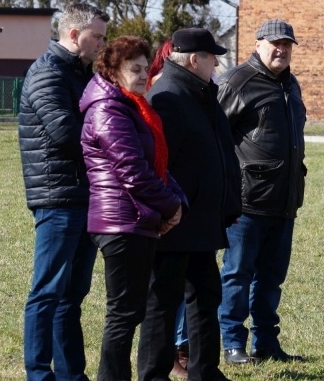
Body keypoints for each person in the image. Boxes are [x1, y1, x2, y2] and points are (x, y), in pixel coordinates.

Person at [80, 36, 186, 380]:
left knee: (130, 312)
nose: (144, 75)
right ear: (113, 71)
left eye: (145, 68)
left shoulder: (132, 106)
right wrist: (171, 207)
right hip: (120, 222)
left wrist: (177, 201)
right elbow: (133, 171)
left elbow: (156, 165)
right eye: (135, 69)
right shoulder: (108, 109)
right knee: (123, 313)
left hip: (136, 219)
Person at [138, 28, 241, 381]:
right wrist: (172, 208)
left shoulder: (198, 92)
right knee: (163, 301)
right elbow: (159, 164)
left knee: (205, 296)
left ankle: (205, 371)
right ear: (195, 60)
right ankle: (153, 374)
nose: (217, 62)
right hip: (177, 220)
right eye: (212, 57)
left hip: (201, 219)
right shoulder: (169, 95)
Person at [18, 2, 108, 380]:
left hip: (84, 196)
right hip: (58, 198)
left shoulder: (81, 74)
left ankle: (72, 374)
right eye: (97, 37)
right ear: (74, 35)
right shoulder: (47, 74)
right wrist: (112, 145)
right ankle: (39, 374)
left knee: (72, 296)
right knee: (47, 292)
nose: (103, 44)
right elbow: (67, 135)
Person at [217, 19, 307, 364]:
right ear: (258, 44)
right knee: (238, 275)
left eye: (287, 44)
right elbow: (215, 134)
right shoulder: (238, 81)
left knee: (271, 279)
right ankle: (232, 343)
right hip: (246, 202)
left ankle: (267, 344)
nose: (281, 50)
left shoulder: (291, 85)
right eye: (274, 43)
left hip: (283, 201)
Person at [147, 36, 191, 378]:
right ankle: (171, 353)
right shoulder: (163, 93)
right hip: (167, 203)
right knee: (166, 289)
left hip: (186, 201)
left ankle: (181, 347)